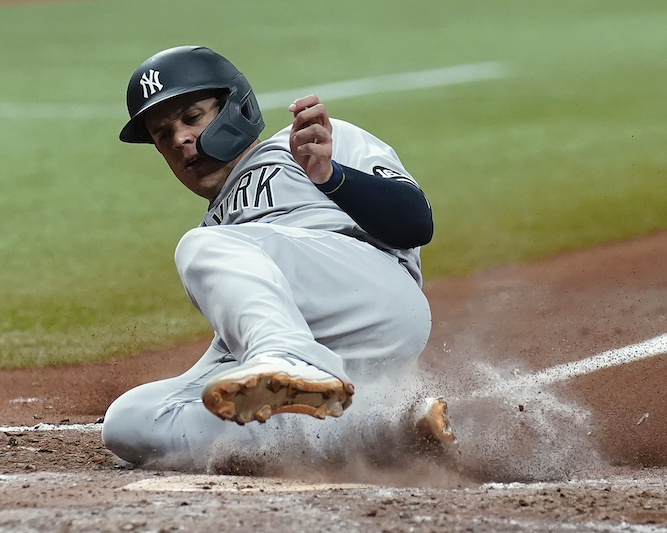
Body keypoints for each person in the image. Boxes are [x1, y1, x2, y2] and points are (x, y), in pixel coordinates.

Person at [101, 45, 455, 470]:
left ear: (236, 107)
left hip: (370, 304)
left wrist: (331, 175)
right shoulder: (218, 233)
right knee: (129, 420)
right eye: (162, 134)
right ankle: (374, 426)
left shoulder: (306, 146)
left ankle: (287, 361)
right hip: (318, 355)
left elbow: (416, 224)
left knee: (199, 246)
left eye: (192, 118)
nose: (179, 139)